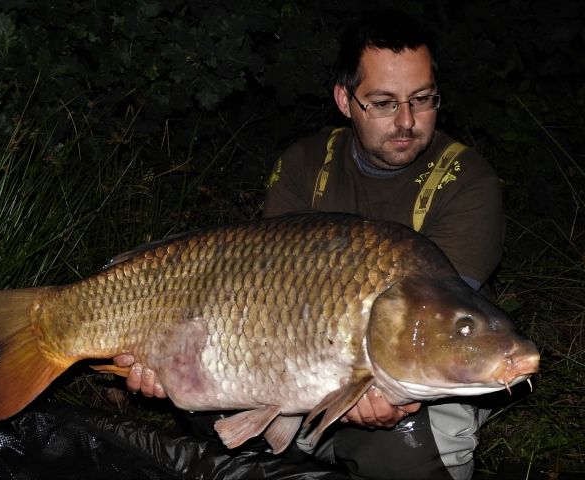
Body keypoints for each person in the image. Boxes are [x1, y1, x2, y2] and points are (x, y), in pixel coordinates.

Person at [115, 8, 504, 480]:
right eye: (382, 102)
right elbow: (258, 294)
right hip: (299, 349)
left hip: (416, 367)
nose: (406, 120)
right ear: (344, 100)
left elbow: (435, 326)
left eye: (422, 99)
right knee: (208, 396)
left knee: (404, 452)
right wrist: (170, 361)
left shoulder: (467, 181)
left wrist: (375, 393)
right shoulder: (304, 164)